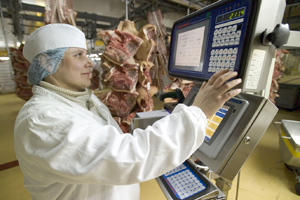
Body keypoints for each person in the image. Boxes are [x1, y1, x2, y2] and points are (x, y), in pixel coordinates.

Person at [14, 23, 242, 200]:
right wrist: (199, 112)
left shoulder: (81, 99)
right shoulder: (42, 119)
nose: (90, 63)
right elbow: (126, 157)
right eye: (78, 55)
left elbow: (104, 143)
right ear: (47, 63)